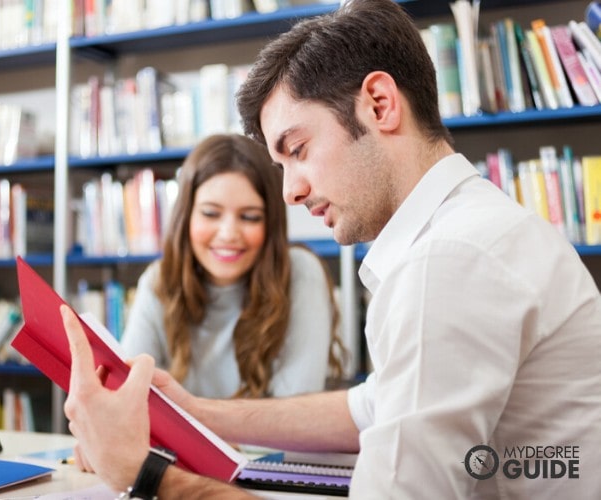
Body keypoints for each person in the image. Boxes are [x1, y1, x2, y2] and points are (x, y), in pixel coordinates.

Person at [62, 0, 601, 498]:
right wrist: (197, 412)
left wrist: (143, 473)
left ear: (380, 104)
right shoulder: (468, 230)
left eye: (298, 149)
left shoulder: (449, 261)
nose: (290, 191)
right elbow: (370, 408)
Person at [120, 133, 345, 399]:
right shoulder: (159, 278)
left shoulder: (300, 274)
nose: (228, 234)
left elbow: (294, 421)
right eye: (210, 213)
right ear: (186, 218)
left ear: (270, 225)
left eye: (249, 217)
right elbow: (130, 394)